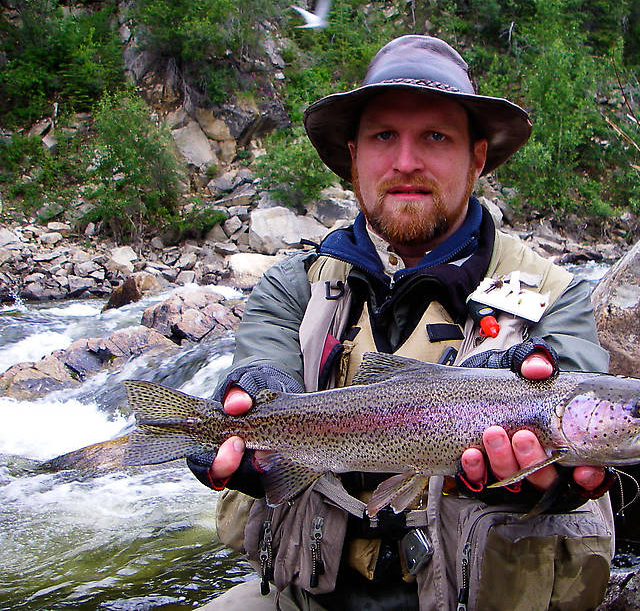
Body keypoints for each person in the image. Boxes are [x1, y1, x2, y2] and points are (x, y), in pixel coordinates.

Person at [190, 35, 616, 611]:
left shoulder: (552, 294)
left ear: (478, 157)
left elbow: (579, 401)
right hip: (309, 595)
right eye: (383, 136)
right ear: (354, 155)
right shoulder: (293, 285)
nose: (406, 161)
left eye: (435, 137)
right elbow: (259, 367)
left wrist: (557, 473)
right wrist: (253, 413)